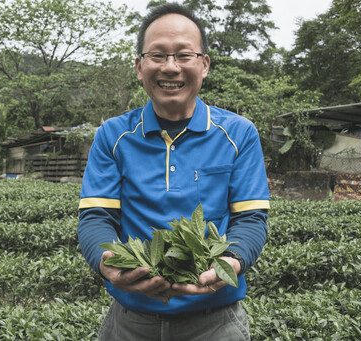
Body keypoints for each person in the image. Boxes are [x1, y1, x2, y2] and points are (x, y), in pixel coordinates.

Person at [77, 3, 270, 340]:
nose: (170, 67)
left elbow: (250, 220)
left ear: (204, 64)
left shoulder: (238, 133)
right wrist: (107, 263)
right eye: (157, 56)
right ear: (139, 67)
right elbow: (96, 216)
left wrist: (230, 263)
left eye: (183, 55)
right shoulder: (113, 135)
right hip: (131, 321)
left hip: (216, 322)